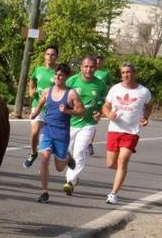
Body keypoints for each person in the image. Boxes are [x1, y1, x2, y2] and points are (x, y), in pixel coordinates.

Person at [29, 63, 84, 203]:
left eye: (61, 75)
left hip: (62, 133)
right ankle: (44, 192)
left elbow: (81, 111)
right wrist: (35, 113)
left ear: (66, 77)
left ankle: (66, 157)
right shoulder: (47, 91)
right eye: (56, 75)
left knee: (59, 168)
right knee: (44, 158)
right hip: (47, 129)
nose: (57, 77)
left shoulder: (71, 93)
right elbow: (40, 103)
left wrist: (67, 111)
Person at [101, 63, 152, 205]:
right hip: (114, 129)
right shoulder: (115, 89)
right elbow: (106, 106)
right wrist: (108, 114)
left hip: (131, 132)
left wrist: (146, 117)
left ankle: (113, 193)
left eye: (128, 72)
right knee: (111, 164)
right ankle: (121, 172)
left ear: (134, 73)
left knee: (122, 160)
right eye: (123, 72)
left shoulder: (144, 92)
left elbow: (149, 106)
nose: (126, 75)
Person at [64, 56, 108, 196]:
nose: (89, 69)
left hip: (88, 123)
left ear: (96, 68)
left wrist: (99, 112)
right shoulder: (71, 81)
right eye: (86, 66)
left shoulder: (100, 85)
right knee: (65, 152)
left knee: (79, 152)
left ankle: (70, 181)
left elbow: (104, 103)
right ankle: (74, 177)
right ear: (81, 67)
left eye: (92, 67)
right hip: (70, 122)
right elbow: (61, 97)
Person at [23, 45, 59, 168]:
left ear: (56, 57)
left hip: (52, 108)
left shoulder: (58, 73)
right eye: (48, 54)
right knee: (34, 133)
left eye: (53, 54)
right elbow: (32, 80)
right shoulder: (38, 70)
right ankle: (33, 153)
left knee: (49, 137)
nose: (50, 57)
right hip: (37, 105)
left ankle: (47, 162)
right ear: (44, 56)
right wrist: (31, 90)